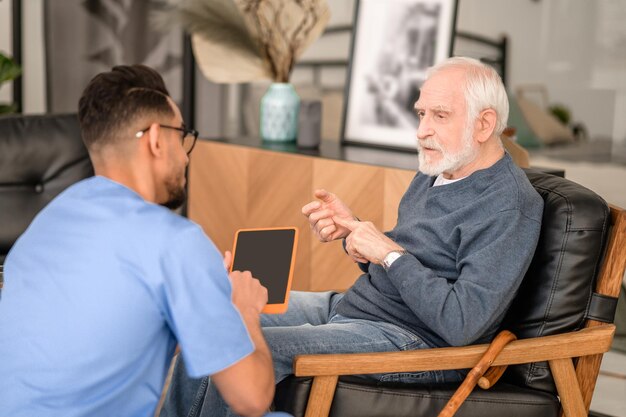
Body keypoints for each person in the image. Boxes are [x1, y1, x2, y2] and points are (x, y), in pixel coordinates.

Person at [160, 57, 544, 417]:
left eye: (440, 116)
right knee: (214, 313)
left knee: (240, 348)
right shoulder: (439, 169)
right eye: (422, 114)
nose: (422, 130)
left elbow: (463, 323)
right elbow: (410, 259)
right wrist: (355, 234)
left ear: (484, 124)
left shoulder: (509, 206)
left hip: (415, 342)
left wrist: (388, 253)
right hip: (356, 307)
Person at [0, 65, 288, 417]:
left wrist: (201, 304)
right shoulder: (175, 241)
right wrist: (242, 310)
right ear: (155, 139)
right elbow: (252, 399)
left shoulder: (42, 227)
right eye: (182, 137)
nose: (184, 156)